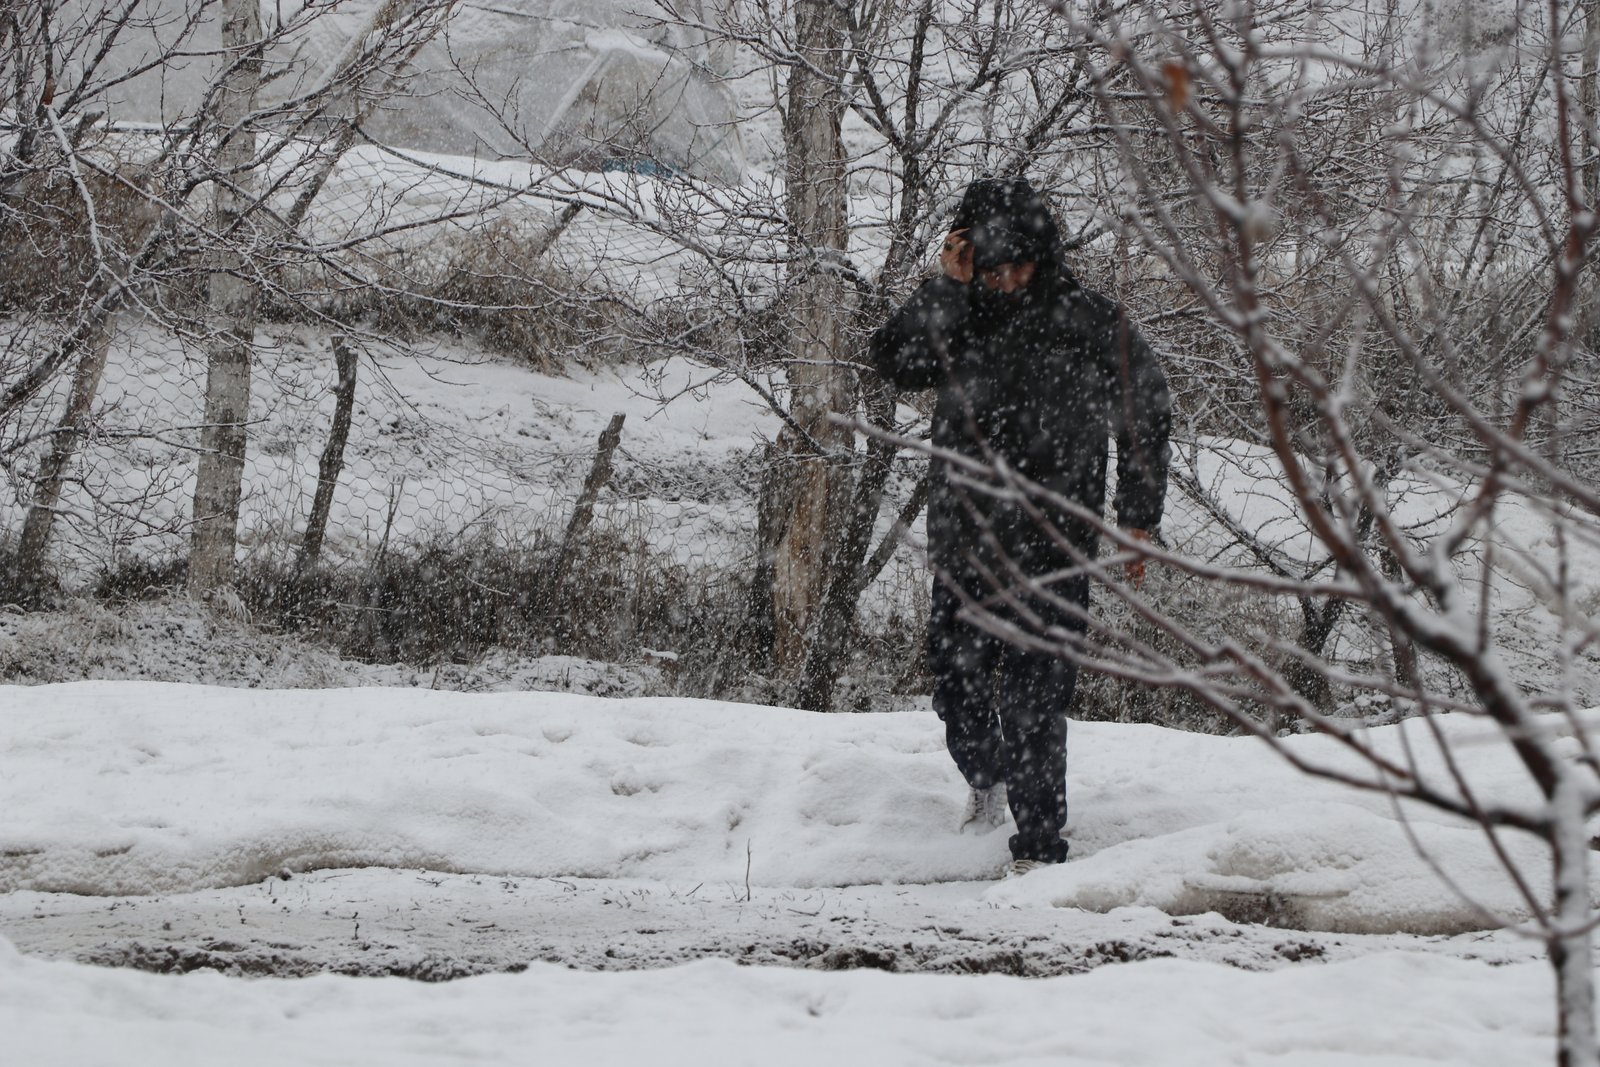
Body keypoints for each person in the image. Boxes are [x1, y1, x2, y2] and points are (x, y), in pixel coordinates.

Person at [869, 177, 1171, 877]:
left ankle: (1038, 845)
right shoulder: (957, 315)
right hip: (965, 537)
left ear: (1042, 256)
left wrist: (1137, 518)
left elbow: (1147, 412)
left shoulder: (1090, 321)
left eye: (1017, 266)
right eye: (991, 268)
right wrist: (945, 288)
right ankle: (987, 778)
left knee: (1037, 698)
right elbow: (892, 362)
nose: (1004, 281)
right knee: (958, 689)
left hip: (1057, 543)